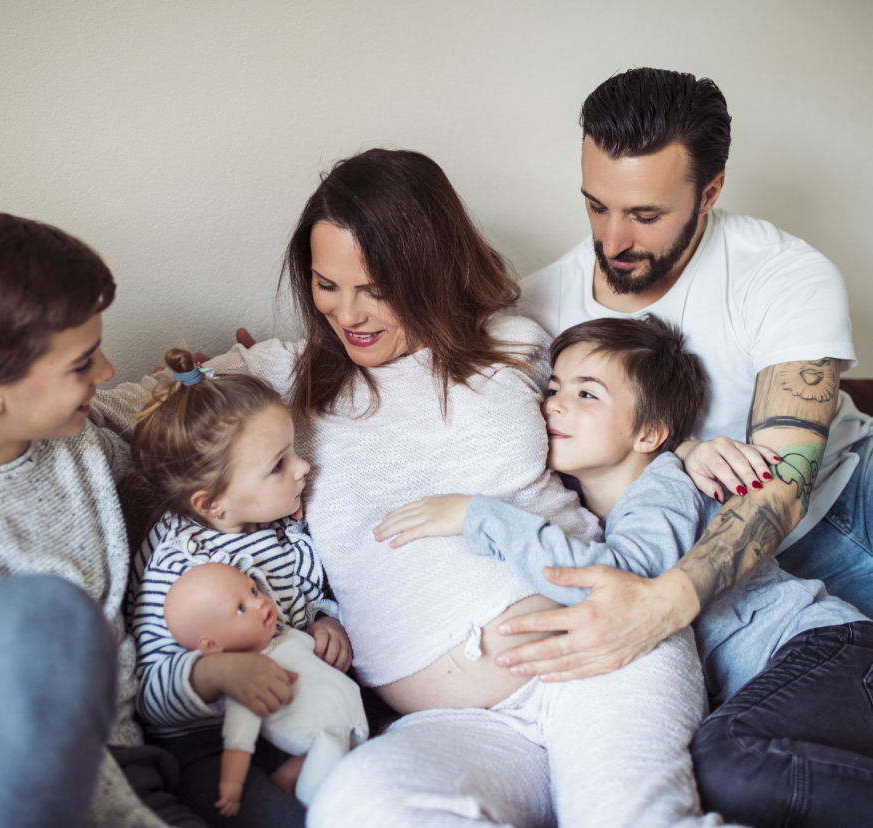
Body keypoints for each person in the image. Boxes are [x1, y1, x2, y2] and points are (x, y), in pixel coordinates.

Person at [200, 148, 721, 826]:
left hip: (597, 660)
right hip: (459, 726)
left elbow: (627, 415)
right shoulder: (284, 380)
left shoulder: (516, 345)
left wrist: (699, 445)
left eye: (376, 287)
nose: (348, 312)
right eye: (327, 285)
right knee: (358, 807)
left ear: (430, 270)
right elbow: (120, 408)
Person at [378, 315, 873, 826]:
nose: (554, 403)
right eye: (553, 387)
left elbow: (618, 581)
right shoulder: (584, 507)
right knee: (727, 771)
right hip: (788, 677)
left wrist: (476, 515)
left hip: (824, 649)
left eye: (587, 394)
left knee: (735, 762)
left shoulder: (667, 486)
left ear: (650, 433)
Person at [508, 67, 873, 687]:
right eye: (596, 206)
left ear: (709, 192)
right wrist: (682, 449)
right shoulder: (535, 311)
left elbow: (785, 480)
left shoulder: (784, 273)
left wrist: (661, 606)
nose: (613, 240)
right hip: (721, 565)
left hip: (845, 502)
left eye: (645, 214)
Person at [0, 212, 206, 827]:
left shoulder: (74, 446)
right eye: (82, 362)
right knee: (46, 614)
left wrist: (209, 376)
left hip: (115, 767)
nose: (106, 371)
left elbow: (171, 416)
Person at [126, 348, 358, 826]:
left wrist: (323, 617)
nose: (303, 468)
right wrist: (219, 674)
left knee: (357, 788)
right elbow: (150, 691)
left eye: (294, 451)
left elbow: (309, 587)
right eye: (279, 465)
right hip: (208, 740)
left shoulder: (273, 524)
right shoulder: (177, 563)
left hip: (293, 716)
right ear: (211, 502)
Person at [162, 563, 367, 815]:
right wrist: (230, 787)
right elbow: (239, 743)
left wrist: (326, 624)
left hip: (350, 723)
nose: (259, 602)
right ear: (212, 645)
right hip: (324, 742)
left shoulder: (290, 636)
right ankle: (300, 794)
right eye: (240, 608)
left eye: (254, 591)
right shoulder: (247, 682)